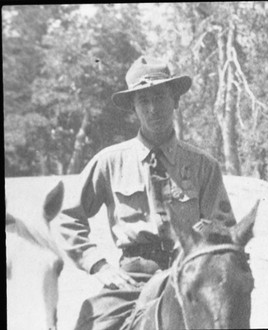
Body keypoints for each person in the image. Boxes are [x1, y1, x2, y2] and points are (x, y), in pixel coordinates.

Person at [57, 56, 236, 330]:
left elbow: (223, 229)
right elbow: (68, 218)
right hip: (132, 280)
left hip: (190, 276)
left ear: (175, 100)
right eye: (143, 101)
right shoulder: (110, 161)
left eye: (160, 97)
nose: (153, 108)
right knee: (92, 321)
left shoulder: (204, 165)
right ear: (134, 108)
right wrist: (99, 266)